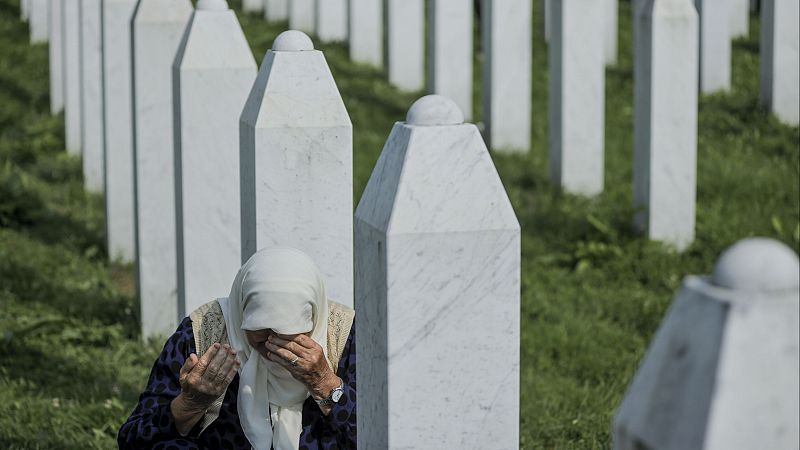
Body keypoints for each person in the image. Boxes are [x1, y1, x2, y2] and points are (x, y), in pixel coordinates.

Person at [118, 246, 356, 450]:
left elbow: (384, 434)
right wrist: (189, 404)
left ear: (313, 319)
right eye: (260, 327)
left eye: (288, 330)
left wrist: (325, 384)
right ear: (242, 312)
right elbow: (133, 440)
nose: (273, 341)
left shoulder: (344, 336)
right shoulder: (204, 331)